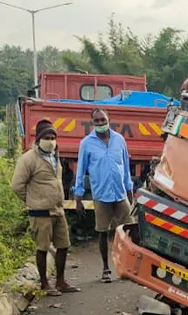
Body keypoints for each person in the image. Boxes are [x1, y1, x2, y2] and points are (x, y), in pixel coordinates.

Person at [11, 118, 80, 296]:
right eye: (47, 137)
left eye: (53, 137)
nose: (50, 141)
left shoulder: (55, 156)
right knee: (42, 247)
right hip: (40, 212)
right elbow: (17, 185)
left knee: (63, 245)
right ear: (38, 139)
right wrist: (33, 201)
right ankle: (44, 283)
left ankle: (60, 281)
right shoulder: (28, 159)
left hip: (58, 209)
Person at [73, 107, 135, 283]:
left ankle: (128, 267)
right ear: (92, 123)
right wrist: (78, 197)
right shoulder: (86, 143)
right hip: (101, 194)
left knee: (128, 230)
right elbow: (81, 171)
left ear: (109, 120)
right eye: (97, 121)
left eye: (103, 120)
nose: (101, 123)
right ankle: (105, 269)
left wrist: (129, 190)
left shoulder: (119, 140)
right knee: (102, 232)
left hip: (120, 192)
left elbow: (125, 167)